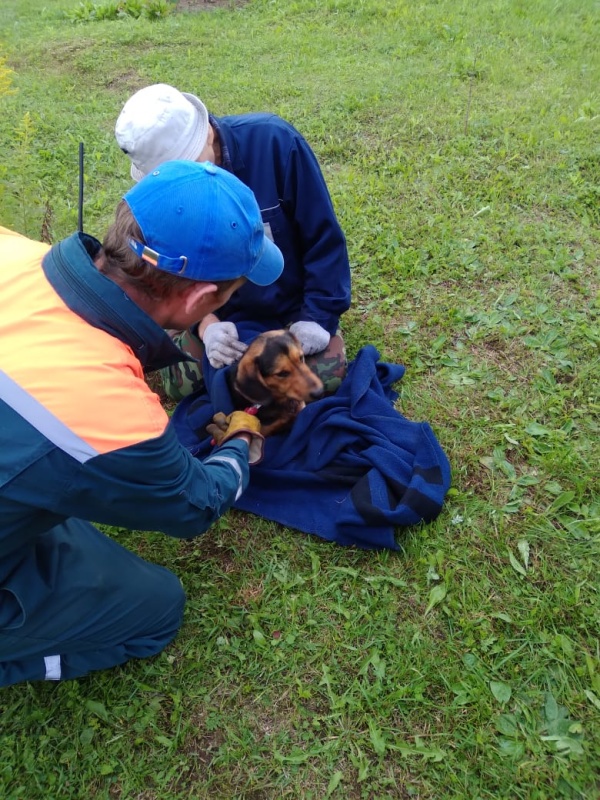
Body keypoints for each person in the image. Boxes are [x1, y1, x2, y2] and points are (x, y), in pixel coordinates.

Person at [0, 159, 284, 687]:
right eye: (230, 292)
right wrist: (240, 441)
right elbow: (195, 503)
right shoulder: (109, 415)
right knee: (156, 608)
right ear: (201, 301)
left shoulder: (11, 251)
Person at [115, 83, 352, 400]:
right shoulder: (163, 195)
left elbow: (323, 239)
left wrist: (316, 319)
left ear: (208, 134)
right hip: (216, 314)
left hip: (288, 309)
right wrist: (206, 324)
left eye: (193, 167)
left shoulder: (276, 143)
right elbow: (169, 270)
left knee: (326, 375)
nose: (190, 184)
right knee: (181, 383)